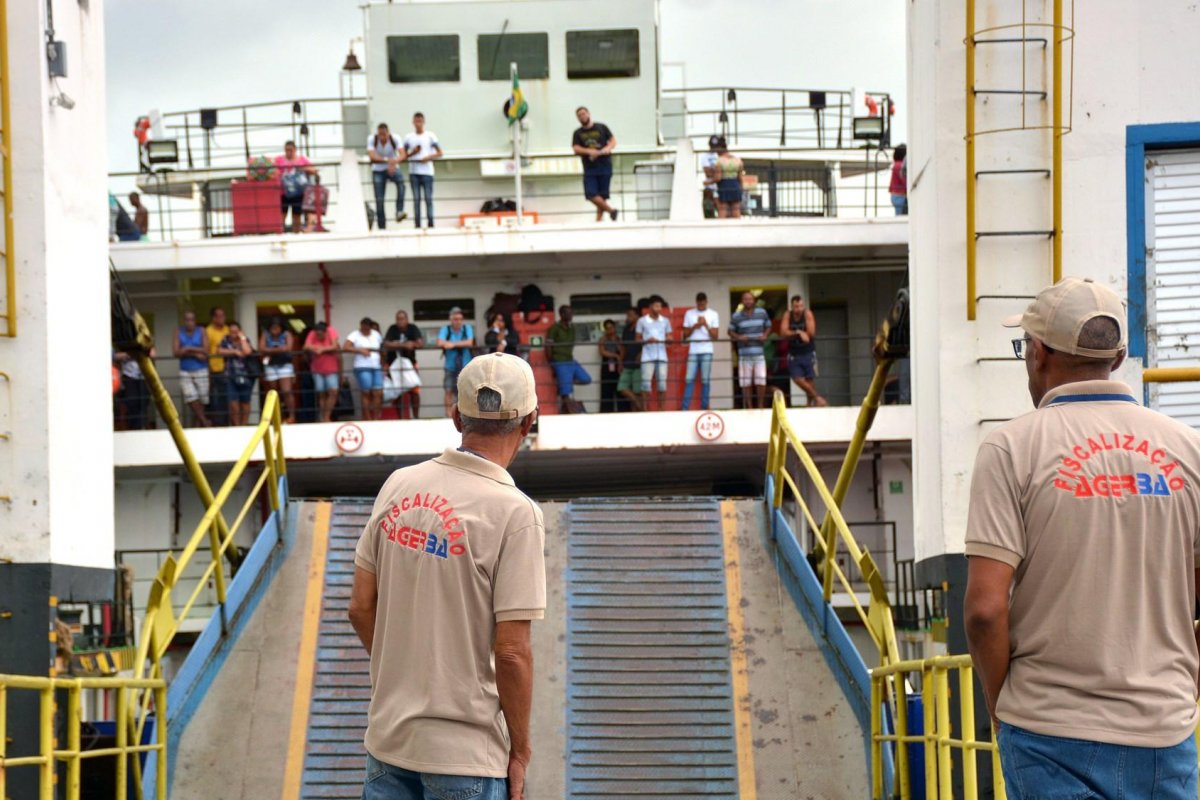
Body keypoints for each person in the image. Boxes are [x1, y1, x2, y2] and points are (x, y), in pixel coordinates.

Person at [964, 277, 1200, 799]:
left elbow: (984, 610)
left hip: (1049, 732)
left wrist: (1002, 707)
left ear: (1038, 352)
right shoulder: (1189, 449)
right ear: (1116, 358)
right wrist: (1182, 690)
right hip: (1166, 733)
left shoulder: (1010, 449)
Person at [348, 352, 545, 800]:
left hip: (387, 745)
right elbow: (512, 652)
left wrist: (400, 678)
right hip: (467, 758)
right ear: (529, 421)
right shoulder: (516, 514)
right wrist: (520, 750)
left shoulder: (398, 484)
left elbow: (360, 607)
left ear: (456, 416)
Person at [571, 107, 619, 222]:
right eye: (579, 115)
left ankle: (598, 221)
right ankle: (611, 211)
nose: (582, 117)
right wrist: (590, 151)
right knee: (591, 194)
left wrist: (604, 150)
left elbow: (613, 141)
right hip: (589, 167)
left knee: (602, 196)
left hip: (605, 165)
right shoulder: (578, 133)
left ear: (588, 114)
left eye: (583, 114)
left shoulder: (601, 127)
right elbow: (576, 148)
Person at [729, 292, 772, 409]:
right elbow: (730, 331)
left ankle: (760, 405)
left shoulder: (762, 313)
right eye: (745, 299)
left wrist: (765, 335)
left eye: (750, 299)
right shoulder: (736, 316)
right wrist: (739, 337)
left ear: (754, 300)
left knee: (761, 381)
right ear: (742, 301)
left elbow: (769, 325)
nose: (748, 301)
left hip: (759, 353)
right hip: (744, 354)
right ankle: (749, 406)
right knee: (746, 383)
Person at [545, 305, 592, 413]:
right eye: (568, 313)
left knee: (586, 379)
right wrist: (552, 364)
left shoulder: (572, 328)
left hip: (571, 360)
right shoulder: (554, 328)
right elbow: (548, 347)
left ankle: (565, 382)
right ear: (562, 314)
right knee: (565, 393)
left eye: (572, 312)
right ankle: (573, 413)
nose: (571, 315)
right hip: (560, 361)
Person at [785, 295, 827, 407]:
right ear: (792, 306)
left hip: (808, 351)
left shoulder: (807, 314)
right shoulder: (788, 315)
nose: (798, 309)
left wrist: (802, 334)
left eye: (800, 306)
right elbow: (783, 331)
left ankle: (810, 403)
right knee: (796, 378)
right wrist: (798, 332)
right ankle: (818, 398)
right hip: (794, 352)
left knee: (809, 378)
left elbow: (811, 333)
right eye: (796, 306)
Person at [403, 112, 443, 229]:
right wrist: (413, 152)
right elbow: (403, 155)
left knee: (428, 199)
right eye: (416, 121)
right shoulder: (409, 137)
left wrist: (428, 157)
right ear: (413, 122)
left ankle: (430, 224)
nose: (418, 123)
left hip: (427, 172)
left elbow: (440, 152)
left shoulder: (430, 136)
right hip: (414, 172)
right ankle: (417, 224)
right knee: (416, 200)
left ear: (423, 122)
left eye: (420, 121)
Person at [173, 311, 211, 427]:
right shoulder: (178, 331)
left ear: (195, 321)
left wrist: (188, 350)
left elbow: (206, 350)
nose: (190, 322)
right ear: (184, 321)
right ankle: (204, 421)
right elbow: (176, 352)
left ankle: (197, 423)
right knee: (190, 396)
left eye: (192, 320)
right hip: (185, 370)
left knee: (203, 397)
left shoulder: (202, 331)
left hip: (201, 368)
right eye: (187, 320)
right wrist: (195, 351)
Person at [682, 293, 719, 410]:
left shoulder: (713, 314)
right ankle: (685, 408)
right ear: (696, 302)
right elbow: (685, 335)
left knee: (705, 380)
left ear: (706, 302)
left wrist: (706, 325)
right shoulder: (689, 313)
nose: (701, 305)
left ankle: (704, 407)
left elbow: (715, 336)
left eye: (703, 303)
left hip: (707, 350)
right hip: (693, 350)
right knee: (689, 379)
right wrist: (695, 326)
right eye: (699, 303)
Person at [383, 310, 424, 419]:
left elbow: (420, 343)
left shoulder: (412, 328)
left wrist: (412, 344)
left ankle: (416, 417)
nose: (400, 321)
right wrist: (403, 345)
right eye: (398, 319)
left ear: (407, 319)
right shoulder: (392, 329)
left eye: (402, 319)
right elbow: (386, 344)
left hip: (410, 364)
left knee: (414, 391)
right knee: (398, 393)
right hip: (394, 365)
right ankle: (400, 418)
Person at [368, 123, 407, 229]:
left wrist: (393, 162)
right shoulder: (372, 139)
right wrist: (387, 160)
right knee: (379, 199)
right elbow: (372, 156)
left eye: (384, 135)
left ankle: (399, 210)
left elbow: (403, 154)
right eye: (380, 135)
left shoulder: (395, 139)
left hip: (393, 167)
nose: (382, 137)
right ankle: (382, 226)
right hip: (378, 170)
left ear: (388, 133)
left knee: (401, 184)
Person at [635, 299, 672, 410]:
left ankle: (662, 410)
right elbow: (637, 339)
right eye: (656, 306)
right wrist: (647, 340)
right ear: (650, 307)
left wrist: (669, 339)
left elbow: (670, 336)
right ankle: (645, 410)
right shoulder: (642, 321)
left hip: (662, 356)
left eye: (660, 306)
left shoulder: (665, 320)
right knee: (645, 384)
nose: (659, 309)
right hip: (647, 356)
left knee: (662, 385)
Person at [345, 317, 384, 421]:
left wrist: (383, 363)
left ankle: (376, 418)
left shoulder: (376, 334)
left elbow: (381, 348)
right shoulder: (354, 334)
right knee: (366, 392)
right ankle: (367, 417)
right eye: (363, 327)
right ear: (361, 326)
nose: (365, 329)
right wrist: (360, 350)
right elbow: (346, 347)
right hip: (362, 367)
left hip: (376, 366)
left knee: (378, 392)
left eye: (367, 327)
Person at [259, 316, 296, 424]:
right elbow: (261, 348)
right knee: (273, 391)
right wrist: (279, 349)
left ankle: (291, 415)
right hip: (270, 365)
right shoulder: (265, 334)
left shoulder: (287, 334)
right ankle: (277, 416)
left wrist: (271, 350)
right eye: (273, 327)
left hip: (285, 364)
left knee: (287, 391)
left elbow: (288, 348)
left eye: (277, 327)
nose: (275, 330)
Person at [438, 307, 475, 416]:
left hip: (465, 366)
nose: (458, 321)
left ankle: (466, 414)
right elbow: (440, 342)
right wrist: (455, 343)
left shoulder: (467, 328)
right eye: (455, 319)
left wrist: (452, 344)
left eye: (460, 319)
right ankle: (448, 414)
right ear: (451, 320)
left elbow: (470, 342)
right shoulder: (446, 329)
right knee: (448, 390)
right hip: (450, 365)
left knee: (466, 391)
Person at [275, 140, 318, 233]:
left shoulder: (302, 160)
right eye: (286, 150)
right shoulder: (279, 159)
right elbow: (272, 170)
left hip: (298, 193)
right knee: (282, 214)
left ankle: (296, 234)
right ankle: (280, 234)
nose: (289, 152)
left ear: (295, 150)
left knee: (297, 215)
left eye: (291, 150)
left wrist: (302, 168)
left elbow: (313, 170)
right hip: (283, 192)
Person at [217, 322, 255, 426]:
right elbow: (219, 351)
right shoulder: (225, 340)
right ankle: (237, 425)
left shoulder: (245, 340)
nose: (234, 334)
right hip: (230, 376)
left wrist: (242, 338)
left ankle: (244, 424)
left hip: (245, 376)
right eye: (232, 332)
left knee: (245, 402)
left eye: (236, 331)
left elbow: (247, 351)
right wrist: (234, 352)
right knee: (233, 403)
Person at [304, 321, 341, 423]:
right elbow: (306, 346)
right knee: (321, 393)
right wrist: (316, 348)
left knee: (333, 391)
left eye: (321, 334)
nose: (319, 336)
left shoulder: (331, 331)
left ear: (325, 332)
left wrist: (322, 350)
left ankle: (327, 416)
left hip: (331, 367)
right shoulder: (312, 333)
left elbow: (335, 346)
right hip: (317, 368)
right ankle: (322, 417)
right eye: (317, 334)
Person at [114, 348, 154, 430]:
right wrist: (129, 354)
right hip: (129, 376)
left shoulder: (143, 340)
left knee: (144, 402)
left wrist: (141, 353)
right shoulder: (122, 342)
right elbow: (114, 356)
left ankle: (140, 427)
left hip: (144, 376)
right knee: (132, 403)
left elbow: (153, 353)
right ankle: (136, 428)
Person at [205, 307, 230, 426]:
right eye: (219, 316)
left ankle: (226, 423)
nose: (222, 318)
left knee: (227, 398)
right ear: (213, 318)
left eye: (223, 315)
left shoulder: (228, 330)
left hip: (228, 369)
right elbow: (206, 351)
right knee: (215, 399)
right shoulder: (208, 331)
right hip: (214, 369)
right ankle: (217, 423)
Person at [617, 307, 643, 412]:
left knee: (637, 390)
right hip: (627, 363)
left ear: (637, 316)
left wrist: (642, 353)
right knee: (622, 387)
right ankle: (640, 407)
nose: (628, 317)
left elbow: (647, 344)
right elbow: (623, 347)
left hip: (638, 364)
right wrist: (620, 362)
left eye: (630, 315)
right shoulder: (626, 329)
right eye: (627, 315)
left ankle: (636, 413)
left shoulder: (643, 328)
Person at [598, 319, 624, 413]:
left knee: (620, 389)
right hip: (607, 365)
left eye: (612, 328)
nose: (610, 330)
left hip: (618, 366)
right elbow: (602, 351)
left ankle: (623, 411)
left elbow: (622, 352)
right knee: (606, 391)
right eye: (608, 328)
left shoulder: (618, 339)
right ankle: (606, 412)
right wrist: (615, 356)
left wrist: (618, 356)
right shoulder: (603, 339)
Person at [714, 142, 745, 219]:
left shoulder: (719, 161)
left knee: (723, 211)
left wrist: (708, 182)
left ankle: (722, 230)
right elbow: (740, 178)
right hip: (735, 185)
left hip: (724, 185)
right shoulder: (738, 160)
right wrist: (741, 188)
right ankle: (738, 230)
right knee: (736, 211)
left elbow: (718, 178)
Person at [699, 135, 721, 219]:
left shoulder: (720, 156)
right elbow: (708, 173)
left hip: (719, 188)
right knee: (708, 212)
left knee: (721, 211)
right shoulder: (705, 156)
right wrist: (718, 172)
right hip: (710, 189)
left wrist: (715, 173)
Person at [889, 144, 908, 216]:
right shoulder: (900, 165)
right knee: (901, 216)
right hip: (900, 195)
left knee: (899, 215)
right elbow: (904, 179)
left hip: (896, 195)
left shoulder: (896, 164)